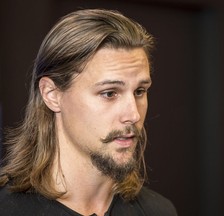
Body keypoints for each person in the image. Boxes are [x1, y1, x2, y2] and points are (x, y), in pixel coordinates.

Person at [0, 8, 178, 216]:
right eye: (109, 93)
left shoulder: (159, 211)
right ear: (52, 94)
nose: (133, 115)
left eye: (139, 91)